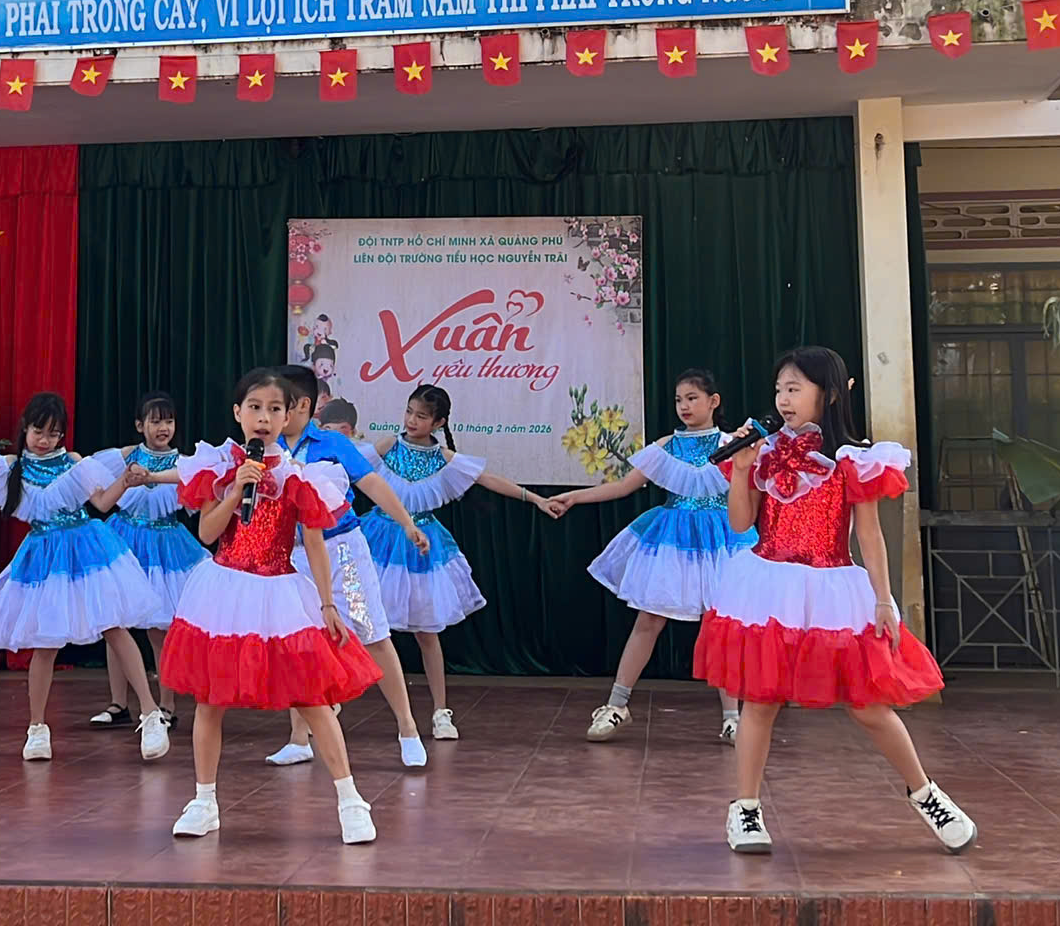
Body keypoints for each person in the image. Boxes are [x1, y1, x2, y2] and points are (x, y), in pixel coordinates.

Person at [695, 347, 974, 856]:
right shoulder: (763, 452)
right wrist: (740, 470)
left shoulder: (852, 459)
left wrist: (884, 600)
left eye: (794, 389)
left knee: (868, 704)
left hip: (831, 588)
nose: (783, 399)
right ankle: (746, 808)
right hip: (771, 587)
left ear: (827, 393)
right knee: (761, 700)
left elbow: (869, 535)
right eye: (779, 389)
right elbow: (739, 523)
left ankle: (925, 793)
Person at [162, 367, 381, 844]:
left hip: (279, 592)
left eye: (274, 409)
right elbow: (207, 533)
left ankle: (350, 801)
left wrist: (328, 604)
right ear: (238, 413)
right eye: (255, 407)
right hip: (224, 592)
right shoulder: (220, 467)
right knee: (210, 700)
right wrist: (236, 489)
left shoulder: (301, 476)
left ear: (289, 416)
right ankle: (204, 801)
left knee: (312, 697)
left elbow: (315, 543)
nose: (264, 417)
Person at [547, 369, 756, 744]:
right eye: (679, 400)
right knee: (649, 619)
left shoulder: (733, 444)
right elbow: (623, 486)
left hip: (722, 542)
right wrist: (576, 497)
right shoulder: (666, 446)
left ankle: (732, 717)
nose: (684, 406)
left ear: (714, 401)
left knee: (722, 624)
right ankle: (617, 705)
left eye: (692, 398)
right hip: (673, 542)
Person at [0, 392, 168, 763]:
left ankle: (151, 715)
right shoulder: (11, 466)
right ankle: (37, 727)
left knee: (114, 627)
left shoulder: (73, 461)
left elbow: (102, 503)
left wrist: (125, 481)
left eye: (54, 433)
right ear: (25, 427)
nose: (45, 440)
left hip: (87, 550)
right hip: (44, 559)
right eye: (39, 431)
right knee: (46, 642)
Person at [266, 362, 434, 769]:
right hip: (294, 557)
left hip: (342, 552)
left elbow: (372, 484)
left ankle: (407, 728)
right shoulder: (267, 446)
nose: (269, 414)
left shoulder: (332, 444)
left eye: (277, 405)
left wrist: (407, 523)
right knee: (300, 642)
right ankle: (299, 738)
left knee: (372, 633)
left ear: (301, 405)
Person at [357, 384, 546, 741]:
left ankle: (440, 712)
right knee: (356, 620)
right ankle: (327, 701)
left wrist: (533, 498)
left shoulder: (443, 458)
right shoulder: (388, 445)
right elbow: (349, 464)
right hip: (377, 539)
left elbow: (486, 479)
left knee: (426, 632)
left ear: (439, 422)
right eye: (409, 412)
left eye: (421, 416)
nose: (412, 420)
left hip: (422, 547)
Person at [92, 390, 203, 729]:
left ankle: (166, 705)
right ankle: (118, 703)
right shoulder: (126, 456)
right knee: (116, 625)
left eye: (168, 421)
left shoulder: (184, 463)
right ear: (140, 425)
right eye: (155, 421)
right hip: (124, 542)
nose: (163, 428)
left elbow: (196, 500)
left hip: (165, 547)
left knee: (159, 630)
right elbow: (91, 476)